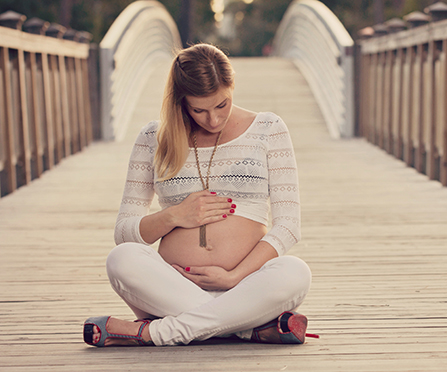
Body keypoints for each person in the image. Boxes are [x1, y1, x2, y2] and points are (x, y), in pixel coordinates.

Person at [83, 43, 315, 347]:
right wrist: (174, 216)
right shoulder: (152, 138)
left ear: (232, 87)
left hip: (247, 284)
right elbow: (125, 231)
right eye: (199, 110)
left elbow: (288, 226)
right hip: (175, 287)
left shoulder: (268, 128)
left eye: (222, 105)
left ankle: (151, 332)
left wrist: (233, 277)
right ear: (180, 102)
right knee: (121, 259)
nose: (214, 120)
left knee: (295, 271)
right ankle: (247, 329)